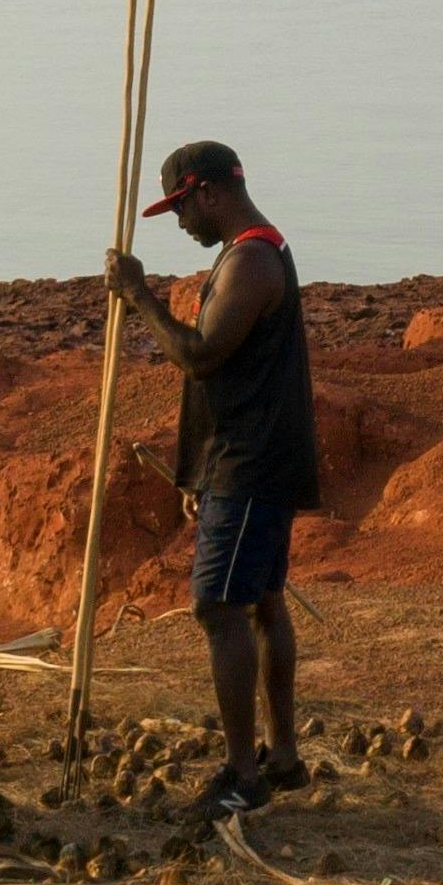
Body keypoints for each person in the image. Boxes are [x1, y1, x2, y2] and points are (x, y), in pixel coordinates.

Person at [109, 136, 317, 818]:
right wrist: (199, 470)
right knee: (259, 599)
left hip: (251, 465)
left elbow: (199, 356)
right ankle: (282, 758)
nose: (180, 223)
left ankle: (242, 775)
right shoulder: (252, 253)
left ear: (209, 192)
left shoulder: (253, 261)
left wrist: (139, 296)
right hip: (248, 458)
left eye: (181, 208)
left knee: (217, 607)